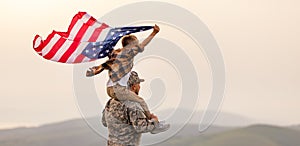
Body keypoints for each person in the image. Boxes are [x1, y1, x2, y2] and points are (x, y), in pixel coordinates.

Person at [87, 25, 160, 120]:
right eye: (136, 44)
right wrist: (154, 33)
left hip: (109, 89)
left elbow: (108, 63)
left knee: (123, 101)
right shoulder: (128, 53)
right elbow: (143, 44)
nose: (137, 46)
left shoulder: (114, 53)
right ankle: (150, 118)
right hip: (118, 89)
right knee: (141, 101)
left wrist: (95, 70)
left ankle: (107, 113)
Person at [102, 71, 170, 146]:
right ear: (134, 87)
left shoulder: (110, 102)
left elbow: (104, 122)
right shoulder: (133, 105)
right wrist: (154, 121)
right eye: (138, 84)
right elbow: (140, 127)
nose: (140, 87)